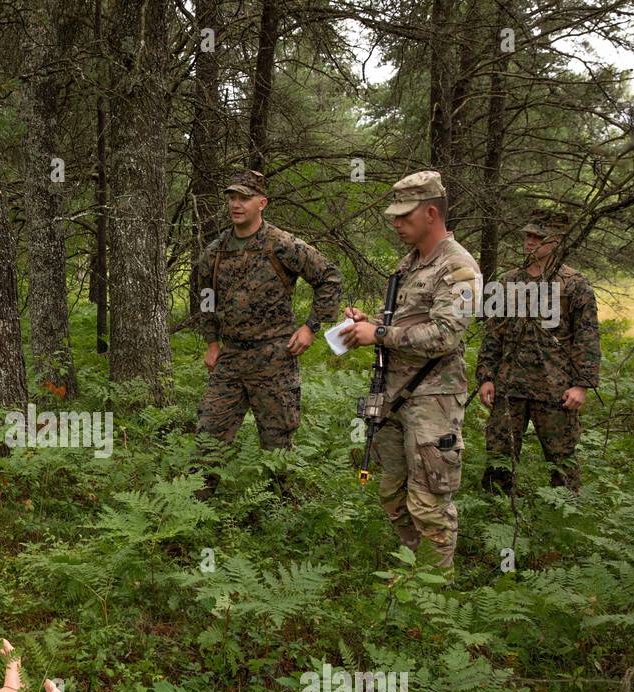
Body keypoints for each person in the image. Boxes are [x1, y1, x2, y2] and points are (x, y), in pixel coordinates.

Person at [343, 171, 480, 568]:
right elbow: (408, 321)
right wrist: (369, 323)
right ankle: (412, 566)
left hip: (433, 399)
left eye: (404, 216)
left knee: (429, 502)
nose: (396, 223)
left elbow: (445, 336)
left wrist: (380, 333)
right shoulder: (409, 263)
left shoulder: (457, 268)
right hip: (394, 395)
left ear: (431, 213)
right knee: (391, 491)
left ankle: (437, 594)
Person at [192, 169, 342, 498]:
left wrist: (311, 327)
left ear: (262, 202)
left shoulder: (282, 245)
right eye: (231, 197)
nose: (236, 204)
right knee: (208, 436)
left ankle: (279, 516)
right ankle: (191, 515)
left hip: (275, 357)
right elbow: (206, 298)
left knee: (277, 442)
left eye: (244, 198)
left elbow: (328, 277)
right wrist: (212, 342)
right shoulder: (215, 252)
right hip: (230, 358)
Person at [476, 210, 600, 494]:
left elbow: (588, 337)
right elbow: (494, 334)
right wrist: (486, 376)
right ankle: (496, 518)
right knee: (499, 458)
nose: (530, 242)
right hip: (509, 387)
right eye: (528, 236)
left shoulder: (573, 284)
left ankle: (563, 522)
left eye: (538, 237)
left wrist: (582, 385)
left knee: (561, 461)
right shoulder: (508, 282)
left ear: (556, 241)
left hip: (555, 389)